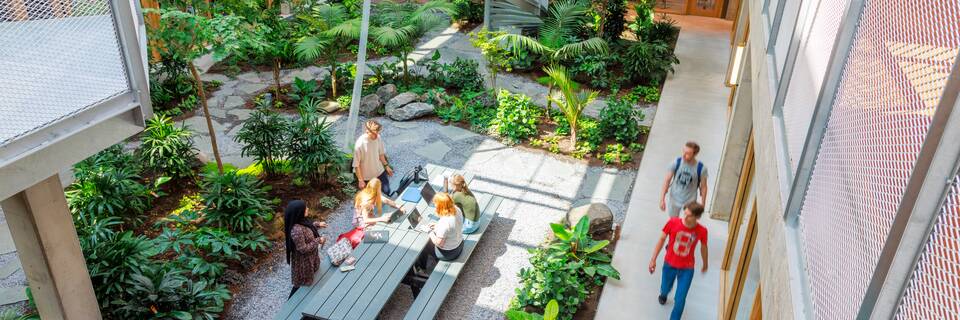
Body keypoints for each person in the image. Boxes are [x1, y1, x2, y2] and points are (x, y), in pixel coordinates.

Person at [648, 202, 709, 320]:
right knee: (665, 287)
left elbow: (704, 247)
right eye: (684, 213)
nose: (685, 217)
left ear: (697, 217)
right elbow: (661, 239)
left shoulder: (702, 230)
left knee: (680, 298)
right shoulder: (673, 222)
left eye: (689, 215)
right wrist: (653, 259)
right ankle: (664, 293)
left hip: (687, 269)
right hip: (669, 263)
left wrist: (705, 263)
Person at [284, 200, 327, 299]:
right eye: (305, 208)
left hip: (311, 257)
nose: (307, 209)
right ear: (299, 212)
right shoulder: (296, 230)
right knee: (300, 284)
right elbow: (303, 249)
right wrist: (318, 240)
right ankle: (290, 305)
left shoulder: (301, 221)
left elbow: (309, 224)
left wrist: (318, 224)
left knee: (312, 278)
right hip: (303, 263)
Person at [338, 179, 400, 248]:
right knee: (382, 235)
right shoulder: (366, 202)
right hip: (361, 222)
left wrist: (398, 206)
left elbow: (386, 200)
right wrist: (381, 219)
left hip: (367, 215)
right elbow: (365, 220)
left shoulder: (370, 193)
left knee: (383, 227)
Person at [416, 193, 464, 272]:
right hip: (460, 242)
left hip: (450, 253)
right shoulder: (456, 209)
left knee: (424, 246)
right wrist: (437, 225)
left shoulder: (444, 223)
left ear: (441, 206)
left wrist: (429, 231)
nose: (435, 206)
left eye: (436, 205)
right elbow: (451, 227)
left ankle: (423, 268)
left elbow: (439, 243)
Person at [659, 141, 708, 217]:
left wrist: (703, 204)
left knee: (687, 224)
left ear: (695, 154)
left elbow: (704, 187)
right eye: (683, 152)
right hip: (674, 199)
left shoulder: (701, 168)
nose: (683, 155)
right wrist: (662, 199)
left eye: (687, 153)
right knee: (674, 222)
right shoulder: (676, 162)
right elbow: (667, 180)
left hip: (690, 202)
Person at [353, 120, 393, 195]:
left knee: (387, 191)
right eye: (374, 134)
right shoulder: (359, 145)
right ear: (367, 131)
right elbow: (356, 165)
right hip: (367, 177)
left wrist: (386, 166)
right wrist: (360, 180)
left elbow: (381, 154)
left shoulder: (378, 137)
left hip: (380, 171)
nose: (376, 136)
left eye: (378, 133)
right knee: (371, 198)